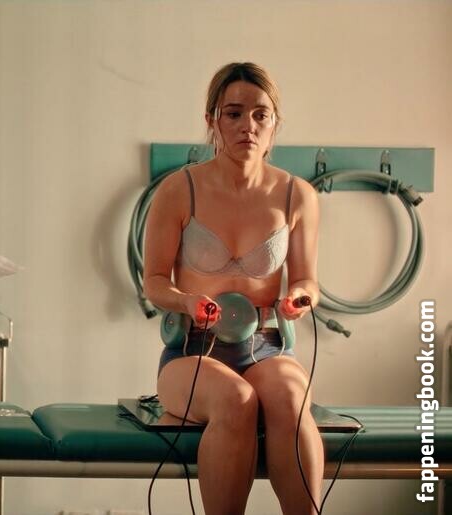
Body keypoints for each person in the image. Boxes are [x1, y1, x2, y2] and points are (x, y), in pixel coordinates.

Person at [142, 62, 322, 515]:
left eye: (261, 115)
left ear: (275, 122)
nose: (248, 126)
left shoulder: (297, 194)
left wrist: (301, 297)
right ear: (212, 120)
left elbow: (306, 278)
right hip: (191, 352)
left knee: (289, 399)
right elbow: (154, 282)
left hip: (267, 348)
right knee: (236, 400)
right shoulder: (178, 190)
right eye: (234, 114)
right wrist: (186, 300)